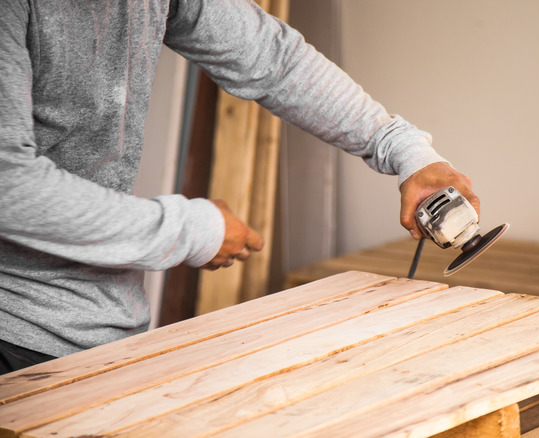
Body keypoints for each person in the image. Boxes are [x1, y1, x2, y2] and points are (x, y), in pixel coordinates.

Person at [0, 0, 480, 375]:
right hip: (13, 324)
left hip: (100, 323)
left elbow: (274, 60)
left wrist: (404, 149)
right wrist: (192, 230)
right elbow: (9, 184)